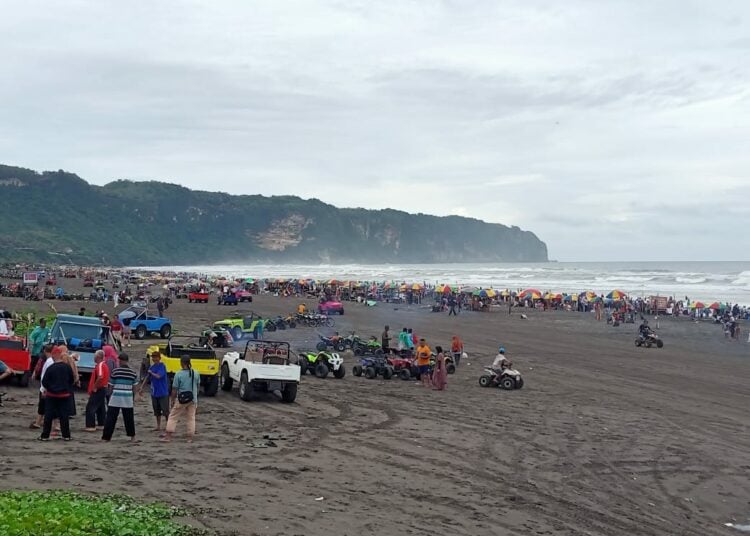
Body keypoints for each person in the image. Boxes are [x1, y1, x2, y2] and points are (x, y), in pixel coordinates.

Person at [39, 347, 75, 441]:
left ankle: (45, 436)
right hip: (64, 395)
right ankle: (66, 436)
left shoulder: (51, 368)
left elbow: (44, 381)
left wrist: (49, 389)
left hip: (52, 395)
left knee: (48, 415)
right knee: (64, 416)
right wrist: (66, 388)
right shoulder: (67, 367)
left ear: (54, 355)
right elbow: (72, 379)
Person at [162, 356, 200, 443]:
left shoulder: (178, 374)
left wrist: (172, 399)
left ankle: (168, 436)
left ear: (182, 363)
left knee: (173, 416)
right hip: (193, 399)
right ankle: (190, 438)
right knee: (191, 418)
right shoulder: (196, 373)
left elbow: (174, 389)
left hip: (182, 399)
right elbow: (197, 386)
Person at [101, 353, 138, 442]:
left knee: (111, 418)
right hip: (127, 398)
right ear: (127, 361)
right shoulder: (133, 373)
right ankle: (132, 437)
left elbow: (111, 386)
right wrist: (133, 398)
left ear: (120, 360)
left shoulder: (115, 371)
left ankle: (106, 437)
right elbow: (134, 387)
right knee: (129, 419)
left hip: (116, 397)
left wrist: (109, 396)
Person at [139, 350, 170, 432]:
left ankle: (168, 425)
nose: (154, 359)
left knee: (165, 410)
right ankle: (158, 426)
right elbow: (147, 378)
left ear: (159, 358)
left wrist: (151, 373)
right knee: (156, 411)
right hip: (154, 392)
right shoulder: (152, 367)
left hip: (163, 392)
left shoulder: (162, 366)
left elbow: (159, 376)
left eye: (156, 357)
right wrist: (142, 387)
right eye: (153, 357)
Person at [30, 345, 55, 429]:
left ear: (45, 351)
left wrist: (44, 388)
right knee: (52, 405)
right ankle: (54, 424)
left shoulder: (49, 361)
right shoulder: (51, 360)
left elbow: (46, 376)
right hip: (50, 386)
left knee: (42, 405)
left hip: (46, 387)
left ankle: (38, 422)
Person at [84, 350, 109, 431]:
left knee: (90, 407)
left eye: (95, 356)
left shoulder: (101, 365)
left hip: (99, 389)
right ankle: (102, 423)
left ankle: (90, 426)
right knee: (100, 407)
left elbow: (100, 376)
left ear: (98, 357)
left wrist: (94, 387)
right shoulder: (102, 365)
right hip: (103, 388)